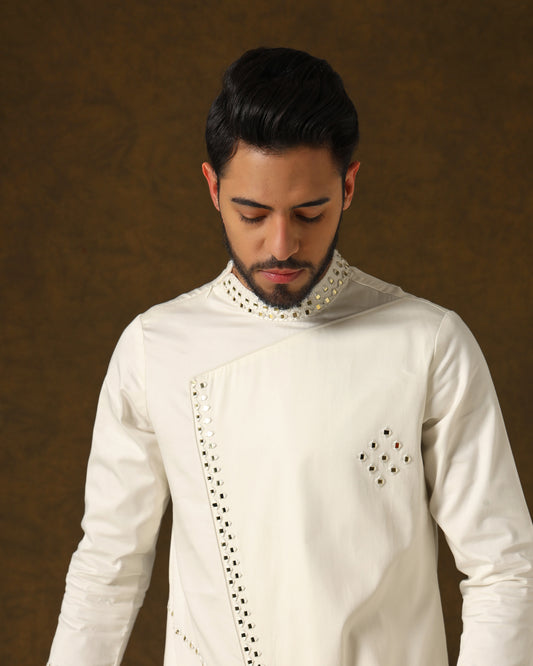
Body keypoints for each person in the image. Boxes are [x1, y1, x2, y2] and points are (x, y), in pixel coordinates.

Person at [48, 47, 533, 666]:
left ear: (348, 187)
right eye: (252, 213)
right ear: (212, 187)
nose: (281, 245)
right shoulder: (154, 347)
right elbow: (107, 570)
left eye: (309, 212)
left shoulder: (430, 343)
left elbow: (504, 568)